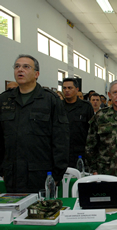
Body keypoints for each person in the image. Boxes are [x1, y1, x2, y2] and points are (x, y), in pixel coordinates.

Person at [0, 54, 69, 193]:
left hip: (41, 174)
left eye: (26, 67)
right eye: (17, 66)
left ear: (36, 74)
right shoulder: (5, 99)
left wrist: (57, 174)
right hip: (11, 174)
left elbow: (61, 139)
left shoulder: (50, 100)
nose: (20, 70)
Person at [62, 78, 94, 168]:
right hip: (63, 152)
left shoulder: (86, 107)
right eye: (64, 88)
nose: (67, 90)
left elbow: (91, 131)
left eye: (69, 88)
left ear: (77, 89)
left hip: (80, 152)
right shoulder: (58, 106)